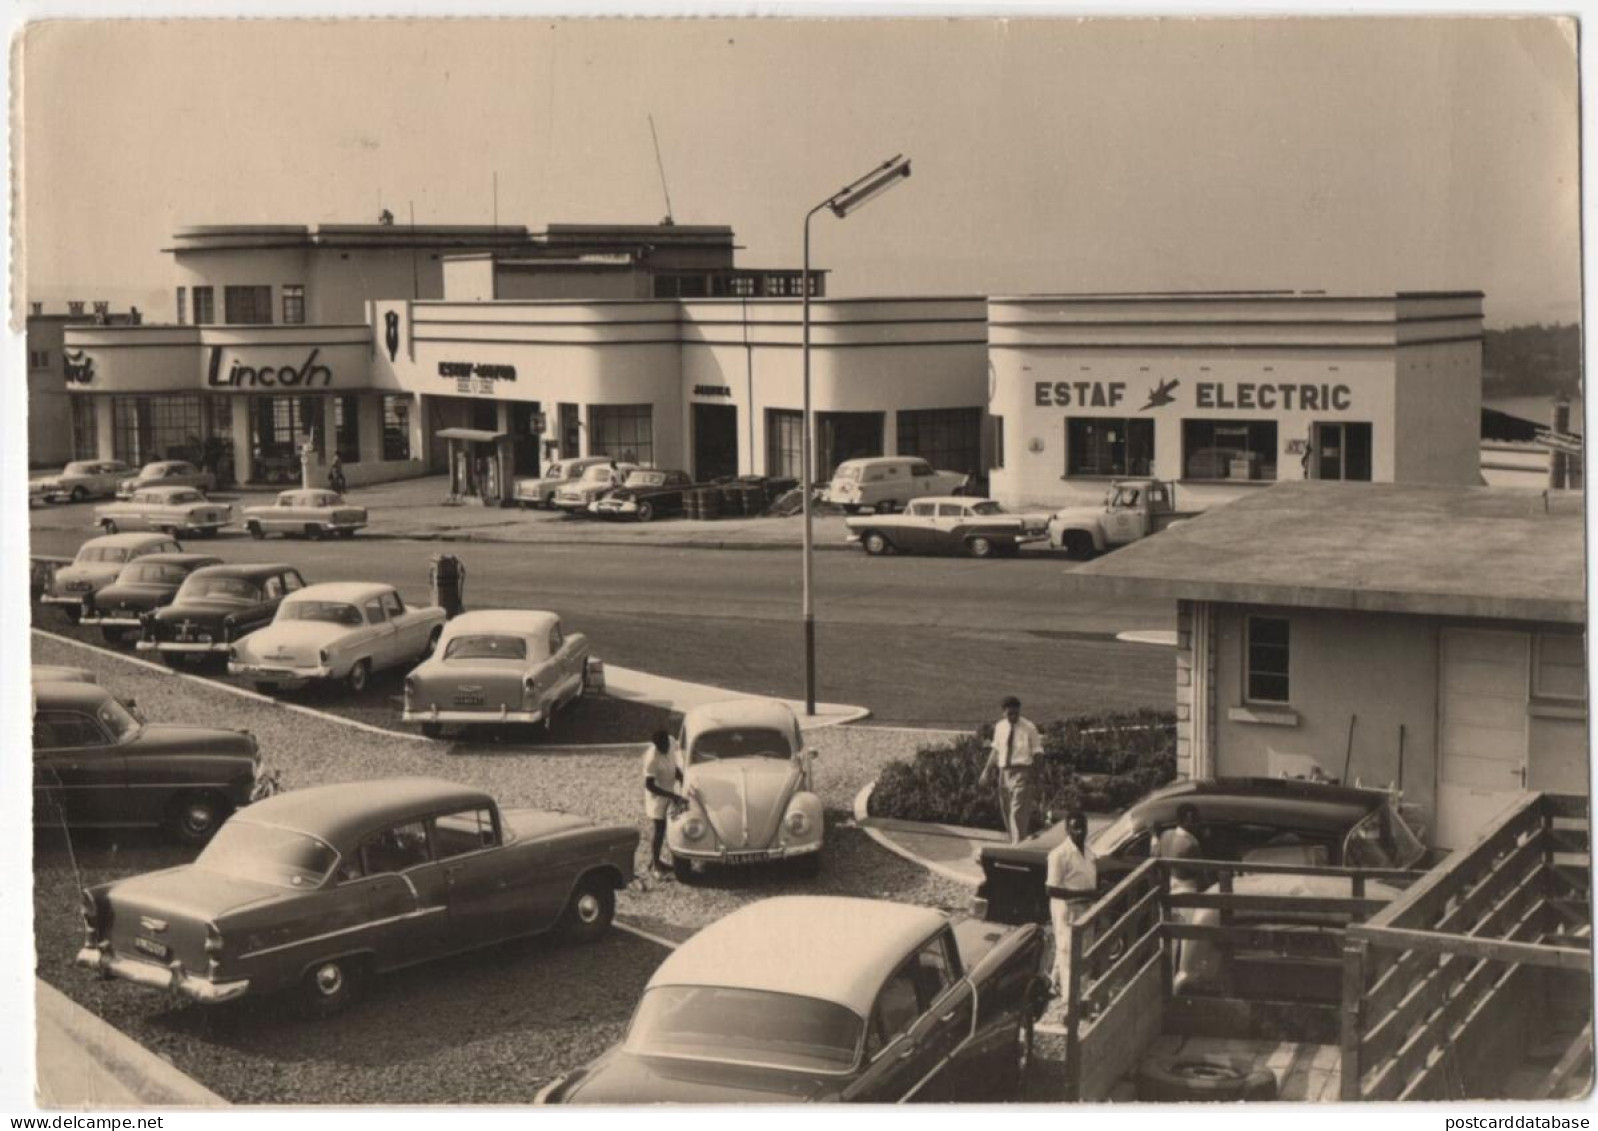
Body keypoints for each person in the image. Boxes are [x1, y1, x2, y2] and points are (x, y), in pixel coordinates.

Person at [1045, 810, 1098, 1008]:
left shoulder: (1089, 852)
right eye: (1074, 828)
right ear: (1067, 829)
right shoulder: (1059, 855)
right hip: (1068, 909)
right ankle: (1071, 1001)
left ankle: (1064, 987)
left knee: (1084, 950)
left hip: (1087, 909)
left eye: (1082, 828)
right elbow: (1051, 889)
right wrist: (1082, 895)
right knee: (1068, 952)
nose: (1079, 832)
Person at [979, 696, 1043, 843]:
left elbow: (1038, 753)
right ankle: (1015, 841)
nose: (1013, 716)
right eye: (1010, 714)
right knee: (1007, 810)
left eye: (1016, 713)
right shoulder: (1000, 727)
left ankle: (1018, 844)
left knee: (1017, 811)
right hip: (1004, 773)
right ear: (1003, 713)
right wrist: (986, 771)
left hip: (1023, 772)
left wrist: (1037, 777)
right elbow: (996, 751)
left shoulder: (1029, 728)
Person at [642, 730, 688, 877]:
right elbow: (649, 785)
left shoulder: (671, 741)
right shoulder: (651, 759)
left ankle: (655, 861)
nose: (665, 747)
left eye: (666, 744)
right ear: (656, 745)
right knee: (659, 830)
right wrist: (672, 795)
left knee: (671, 825)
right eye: (661, 746)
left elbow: (674, 765)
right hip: (657, 797)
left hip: (670, 791)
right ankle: (656, 866)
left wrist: (682, 778)